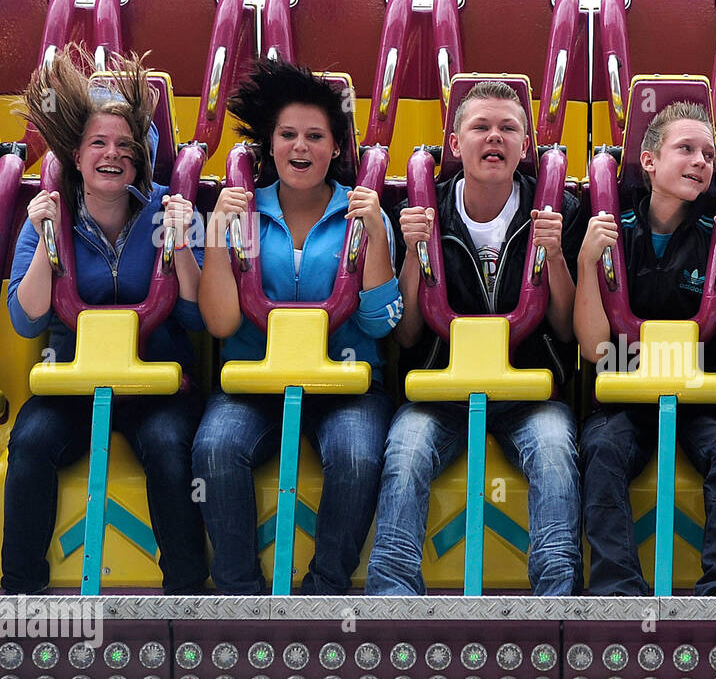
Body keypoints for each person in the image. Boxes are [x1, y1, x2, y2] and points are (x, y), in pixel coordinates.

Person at [365, 80, 584, 596]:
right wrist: (414, 255)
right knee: (405, 452)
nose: (494, 138)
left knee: (555, 455)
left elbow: (566, 327)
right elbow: (410, 332)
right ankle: (391, 605)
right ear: (455, 143)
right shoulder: (424, 209)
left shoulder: (558, 211)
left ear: (525, 146)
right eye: (480, 127)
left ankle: (558, 606)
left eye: (509, 128)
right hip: (441, 390)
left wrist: (554, 258)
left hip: (528, 392)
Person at [3, 47, 207, 595]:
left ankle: (187, 597)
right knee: (31, 444)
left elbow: (194, 316)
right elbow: (26, 321)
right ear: (76, 155)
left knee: (169, 449)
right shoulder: (47, 216)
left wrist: (181, 244)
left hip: (158, 383)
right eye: (98, 143)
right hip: (74, 381)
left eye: (124, 146)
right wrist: (47, 239)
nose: (111, 155)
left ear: (140, 159)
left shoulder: (171, 210)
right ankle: (19, 595)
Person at [192, 60, 400, 595]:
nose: (300, 147)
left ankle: (324, 594)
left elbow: (379, 324)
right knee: (215, 448)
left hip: (346, 383)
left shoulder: (362, 212)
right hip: (256, 381)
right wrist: (217, 232)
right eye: (287, 135)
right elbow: (219, 321)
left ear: (335, 148)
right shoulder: (243, 213)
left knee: (356, 457)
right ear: (270, 144)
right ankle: (240, 596)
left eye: (315, 136)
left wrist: (375, 233)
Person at [575, 101, 716, 596]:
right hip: (628, 386)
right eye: (686, 149)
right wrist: (586, 262)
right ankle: (617, 589)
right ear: (650, 161)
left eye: (709, 154)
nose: (701, 161)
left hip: (702, 387)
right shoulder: (616, 231)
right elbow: (596, 347)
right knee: (601, 447)